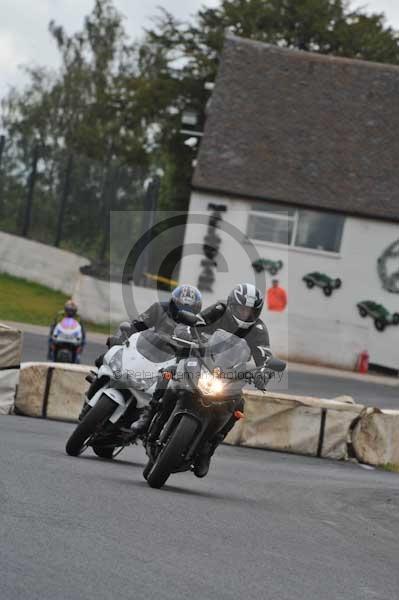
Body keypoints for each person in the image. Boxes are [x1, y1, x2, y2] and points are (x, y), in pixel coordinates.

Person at [81, 285, 202, 422]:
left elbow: (198, 348)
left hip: (169, 362)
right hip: (146, 348)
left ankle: (145, 420)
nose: (183, 313)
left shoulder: (197, 325)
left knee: (167, 395)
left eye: (188, 310)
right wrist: (123, 339)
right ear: (173, 303)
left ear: (196, 311)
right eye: (180, 307)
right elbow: (138, 325)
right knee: (107, 355)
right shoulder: (160, 308)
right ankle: (95, 384)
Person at [191, 282, 272, 477]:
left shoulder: (258, 329)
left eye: (250, 311)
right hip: (202, 360)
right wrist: (188, 337)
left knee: (238, 406)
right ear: (232, 305)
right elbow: (195, 324)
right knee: (171, 372)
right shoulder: (219, 310)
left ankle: (208, 448)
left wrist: (263, 374)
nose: (245, 314)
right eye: (241, 309)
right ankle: (148, 414)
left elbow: (266, 357)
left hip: (228, 373)